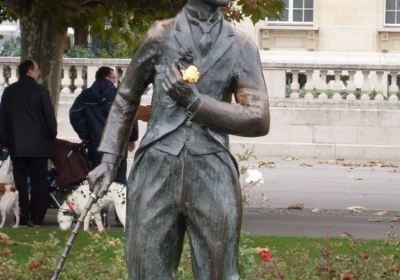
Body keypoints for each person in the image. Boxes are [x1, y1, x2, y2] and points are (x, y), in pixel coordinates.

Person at [88, 0, 270, 278]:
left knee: (220, 272)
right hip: (156, 167)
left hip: (213, 169)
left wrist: (196, 103)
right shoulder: (160, 35)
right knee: (145, 268)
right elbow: (126, 96)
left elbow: (258, 117)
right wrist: (109, 160)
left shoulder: (241, 45)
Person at [0, 59, 57, 227]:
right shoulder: (41, 92)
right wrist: (51, 135)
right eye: (37, 69)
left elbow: (2, 119)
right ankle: (37, 217)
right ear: (31, 70)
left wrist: (4, 141)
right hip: (39, 146)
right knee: (39, 181)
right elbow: (50, 120)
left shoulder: (9, 92)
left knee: (20, 182)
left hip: (17, 145)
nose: (38, 73)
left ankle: (22, 216)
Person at [69, 66, 138, 185]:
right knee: (119, 180)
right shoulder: (119, 95)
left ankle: (98, 202)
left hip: (95, 144)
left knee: (97, 180)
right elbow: (131, 115)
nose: (115, 81)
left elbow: (74, 114)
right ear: (107, 77)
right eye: (113, 78)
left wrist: (85, 134)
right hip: (117, 144)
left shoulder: (86, 95)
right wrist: (132, 137)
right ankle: (117, 203)